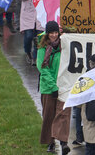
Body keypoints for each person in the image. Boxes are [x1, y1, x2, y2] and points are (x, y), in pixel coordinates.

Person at [37, 21, 71, 154]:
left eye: (56, 32)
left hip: (63, 86)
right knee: (49, 115)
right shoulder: (43, 48)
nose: (54, 35)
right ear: (47, 33)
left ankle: (63, 143)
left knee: (64, 114)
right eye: (51, 33)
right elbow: (43, 69)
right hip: (48, 88)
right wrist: (53, 86)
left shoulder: (63, 45)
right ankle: (50, 142)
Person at [19, 0, 44, 66]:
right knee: (28, 36)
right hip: (28, 12)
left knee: (39, 36)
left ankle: (35, 57)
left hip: (40, 11)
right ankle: (28, 52)